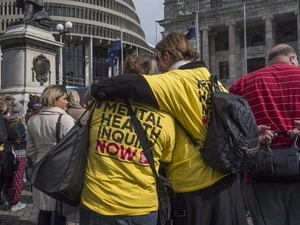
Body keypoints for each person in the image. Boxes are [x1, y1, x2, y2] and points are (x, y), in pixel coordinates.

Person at [84, 32, 248, 225]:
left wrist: (93, 91)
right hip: (228, 179)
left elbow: (129, 83)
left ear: (166, 57)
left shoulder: (174, 80)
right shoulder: (211, 80)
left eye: (158, 59)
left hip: (195, 184)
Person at [80, 54, 176, 225]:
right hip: (141, 207)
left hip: (97, 201)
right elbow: (164, 160)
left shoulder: (99, 106)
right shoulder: (165, 119)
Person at [229, 43, 300, 225]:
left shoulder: (243, 83)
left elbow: (227, 126)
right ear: (293, 58)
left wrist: (252, 134)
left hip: (262, 174)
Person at [27, 85, 75, 225]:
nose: (67, 102)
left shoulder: (33, 120)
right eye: (64, 99)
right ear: (55, 99)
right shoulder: (66, 120)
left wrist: (39, 160)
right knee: (58, 210)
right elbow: (74, 148)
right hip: (60, 169)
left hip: (40, 167)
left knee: (44, 209)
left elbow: (30, 149)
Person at [2, 101, 27, 212]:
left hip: (8, 153)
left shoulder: (8, 121)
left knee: (9, 178)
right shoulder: (19, 124)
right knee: (17, 179)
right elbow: (19, 138)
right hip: (19, 152)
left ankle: (9, 198)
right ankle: (15, 202)